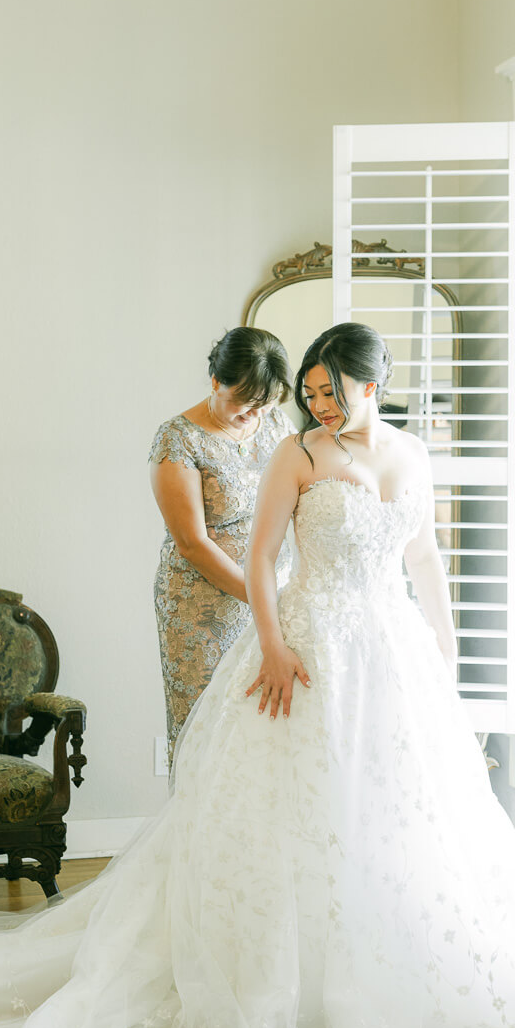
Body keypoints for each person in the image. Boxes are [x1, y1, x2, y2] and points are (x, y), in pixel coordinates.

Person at [0, 323, 515, 1028]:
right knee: (287, 806)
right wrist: (271, 641)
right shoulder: (296, 455)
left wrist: (444, 649)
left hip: (389, 652)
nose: (318, 404)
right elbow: (261, 557)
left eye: (331, 390)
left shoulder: (413, 456)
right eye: (312, 392)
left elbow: (426, 558)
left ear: (373, 382)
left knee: (391, 810)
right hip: (302, 646)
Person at [149, 326, 294, 771]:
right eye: (241, 401)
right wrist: (260, 598)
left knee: (266, 721)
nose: (250, 415)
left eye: (262, 405)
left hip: (275, 592)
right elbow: (192, 543)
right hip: (203, 605)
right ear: (215, 380)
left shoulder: (276, 425)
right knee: (205, 724)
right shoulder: (178, 439)